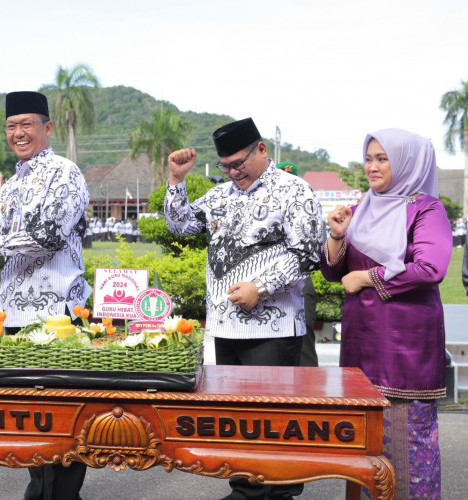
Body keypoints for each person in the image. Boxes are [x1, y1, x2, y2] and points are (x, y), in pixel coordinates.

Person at [164, 118, 322, 500]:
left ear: (262, 150)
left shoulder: (293, 191)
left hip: (274, 327)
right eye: (226, 166)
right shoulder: (221, 195)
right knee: (238, 419)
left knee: (273, 420)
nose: (234, 173)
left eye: (239, 163)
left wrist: (261, 287)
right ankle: (246, 485)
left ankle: (272, 491)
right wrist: (176, 181)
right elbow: (181, 226)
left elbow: (309, 252)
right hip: (226, 327)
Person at [0, 91, 90, 500]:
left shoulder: (65, 173)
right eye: (12, 126)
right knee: (30, 415)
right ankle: (39, 491)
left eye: (27, 124)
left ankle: (62, 495)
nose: (18, 133)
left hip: (57, 311)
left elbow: (47, 237)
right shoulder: (15, 180)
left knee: (62, 415)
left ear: (47, 128)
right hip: (13, 315)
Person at [321, 128, 450, 499]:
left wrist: (367, 277)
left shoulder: (425, 208)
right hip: (362, 339)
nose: (372, 167)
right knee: (363, 439)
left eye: (382, 159)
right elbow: (334, 272)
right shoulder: (363, 208)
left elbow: (430, 268)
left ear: (406, 162)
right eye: (369, 158)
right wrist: (336, 236)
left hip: (405, 345)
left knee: (408, 437)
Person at [275, 161, 319, 367]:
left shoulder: (307, 208)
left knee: (304, 344)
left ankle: (310, 397)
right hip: (266, 287)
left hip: (300, 282)